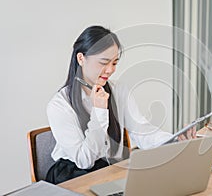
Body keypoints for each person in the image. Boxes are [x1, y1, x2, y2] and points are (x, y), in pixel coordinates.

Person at [46, 25, 196, 184]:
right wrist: (99, 112)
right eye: (104, 62)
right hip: (74, 176)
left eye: (115, 63)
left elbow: (143, 132)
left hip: (110, 170)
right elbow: (85, 161)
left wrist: (176, 140)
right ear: (81, 58)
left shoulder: (119, 90)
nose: (110, 70)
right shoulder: (59, 105)